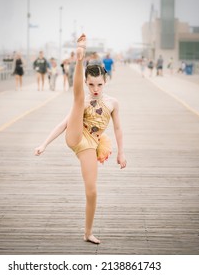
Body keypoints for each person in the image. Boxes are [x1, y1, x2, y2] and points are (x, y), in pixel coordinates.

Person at [34, 34, 127, 245]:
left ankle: (88, 232)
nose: (95, 89)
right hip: (76, 136)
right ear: (86, 82)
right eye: (91, 84)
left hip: (92, 144)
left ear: (105, 82)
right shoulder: (84, 99)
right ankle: (79, 58)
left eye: (99, 85)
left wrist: (121, 153)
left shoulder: (113, 103)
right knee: (78, 101)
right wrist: (44, 144)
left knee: (92, 191)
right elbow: (62, 124)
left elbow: (119, 128)